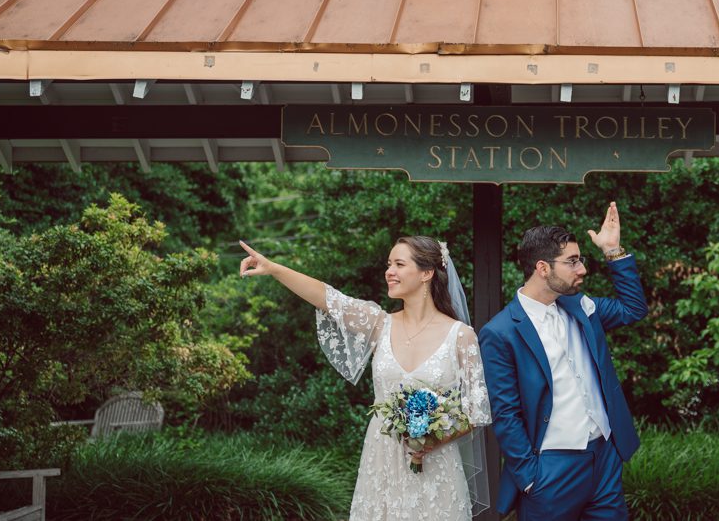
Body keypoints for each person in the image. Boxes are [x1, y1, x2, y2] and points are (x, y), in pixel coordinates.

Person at [239, 235, 492, 520]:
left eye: (399, 264)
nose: (389, 271)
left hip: (437, 465)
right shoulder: (380, 324)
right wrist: (273, 268)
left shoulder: (461, 337)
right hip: (381, 459)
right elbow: (328, 298)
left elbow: (475, 411)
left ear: (427, 273)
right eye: (388, 264)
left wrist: (432, 439)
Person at [479, 202, 647, 521]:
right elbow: (505, 412)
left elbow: (633, 309)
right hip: (551, 470)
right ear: (543, 268)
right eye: (572, 262)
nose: (582, 269)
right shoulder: (499, 333)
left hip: (604, 458)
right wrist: (530, 478)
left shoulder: (579, 306)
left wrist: (613, 250)